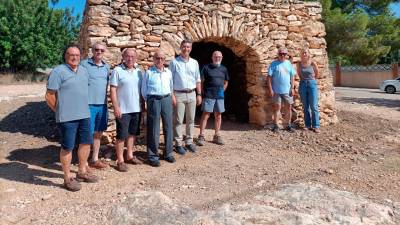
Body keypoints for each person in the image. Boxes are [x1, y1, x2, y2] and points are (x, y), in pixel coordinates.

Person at [45, 44, 98, 192]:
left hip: (84, 115)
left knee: (86, 143)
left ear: (80, 56)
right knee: (67, 147)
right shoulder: (58, 71)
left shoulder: (83, 71)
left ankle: (81, 172)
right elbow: (49, 96)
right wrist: (59, 110)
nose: (74, 57)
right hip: (66, 118)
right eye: (71, 54)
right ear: (65, 56)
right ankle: (67, 178)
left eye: (77, 55)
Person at [110, 48, 143, 172]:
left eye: (132, 57)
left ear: (136, 58)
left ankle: (129, 155)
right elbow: (112, 90)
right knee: (121, 135)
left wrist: (143, 106)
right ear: (123, 57)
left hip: (136, 108)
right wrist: (116, 107)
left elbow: (141, 91)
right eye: (127, 56)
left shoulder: (138, 72)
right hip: (123, 109)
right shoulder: (117, 71)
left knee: (132, 134)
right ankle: (120, 160)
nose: (130, 59)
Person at [141, 50, 175, 167]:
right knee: (154, 128)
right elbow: (144, 90)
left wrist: (170, 97)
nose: (159, 60)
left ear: (164, 60)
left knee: (168, 127)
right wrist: (149, 100)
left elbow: (171, 87)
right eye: (157, 58)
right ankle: (153, 156)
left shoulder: (168, 72)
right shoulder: (149, 72)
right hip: (154, 100)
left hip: (166, 99)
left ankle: (168, 153)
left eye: (161, 58)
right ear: (154, 59)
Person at [80, 43, 110, 169]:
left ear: (104, 52)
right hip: (88, 105)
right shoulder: (84, 65)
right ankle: (84, 162)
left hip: (102, 105)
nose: (99, 52)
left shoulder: (106, 67)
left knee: (98, 133)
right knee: (86, 133)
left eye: (101, 50)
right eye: (96, 49)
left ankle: (94, 159)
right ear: (92, 51)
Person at [169, 40, 202, 154]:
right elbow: (170, 80)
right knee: (178, 120)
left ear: (191, 49)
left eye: (188, 47)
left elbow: (198, 79)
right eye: (184, 47)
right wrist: (172, 95)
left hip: (192, 93)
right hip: (179, 94)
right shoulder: (174, 62)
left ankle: (189, 141)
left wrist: (199, 94)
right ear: (180, 47)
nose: (186, 49)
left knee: (191, 119)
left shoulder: (194, 62)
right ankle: (178, 143)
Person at [197, 51, 229, 146]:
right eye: (215, 56)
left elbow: (226, 82)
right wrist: (203, 93)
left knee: (218, 115)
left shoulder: (224, 69)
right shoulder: (206, 68)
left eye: (219, 57)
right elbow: (201, 81)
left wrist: (222, 91)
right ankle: (201, 136)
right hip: (209, 95)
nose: (217, 58)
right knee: (206, 114)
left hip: (219, 96)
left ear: (222, 57)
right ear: (212, 57)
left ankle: (217, 135)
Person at [267, 46, 296, 133]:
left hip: (287, 90)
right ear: (278, 54)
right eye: (281, 54)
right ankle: (276, 125)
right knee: (277, 108)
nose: (282, 55)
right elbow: (269, 78)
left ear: (286, 55)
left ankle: (288, 125)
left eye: (284, 54)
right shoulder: (273, 64)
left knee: (288, 107)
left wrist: (293, 87)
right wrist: (271, 89)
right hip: (276, 91)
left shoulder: (289, 64)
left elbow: (292, 76)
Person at [297, 48, 320, 133]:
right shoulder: (299, 64)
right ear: (300, 54)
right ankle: (307, 125)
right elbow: (299, 74)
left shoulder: (313, 63)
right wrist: (304, 81)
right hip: (302, 84)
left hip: (311, 84)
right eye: (302, 53)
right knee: (305, 106)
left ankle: (316, 126)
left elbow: (317, 73)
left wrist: (312, 80)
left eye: (305, 53)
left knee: (314, 106)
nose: (304, 54)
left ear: (309, 54)